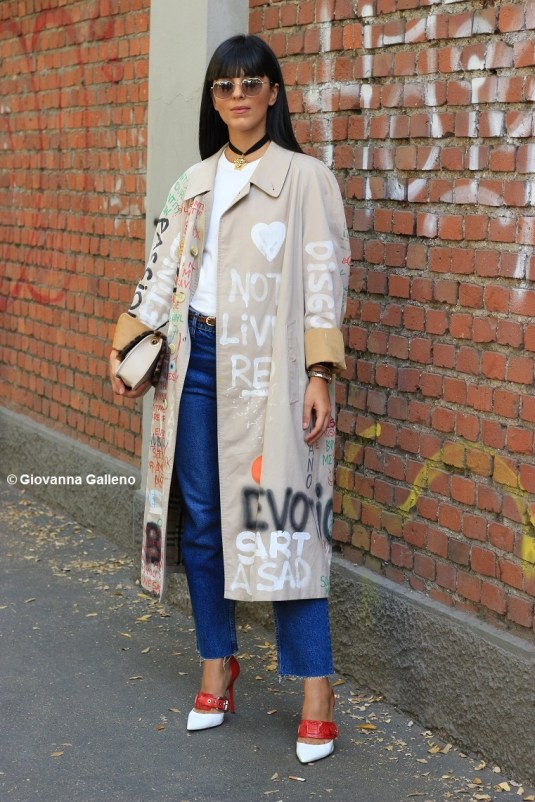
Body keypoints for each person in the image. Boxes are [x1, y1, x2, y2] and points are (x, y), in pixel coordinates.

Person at [109, 34, 349, 763]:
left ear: (274, 94)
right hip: (193, 363)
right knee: (207, 525)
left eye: (252, 84)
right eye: (224, 86)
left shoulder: (306, 179)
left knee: (283, 521)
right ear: (214, 100)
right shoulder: (192, 183)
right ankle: (217, 664)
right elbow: (160, 275)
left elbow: (324, 280)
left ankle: (316, 687)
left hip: (271, 374)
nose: (238, 97)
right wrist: (128, 345)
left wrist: (319, 373)